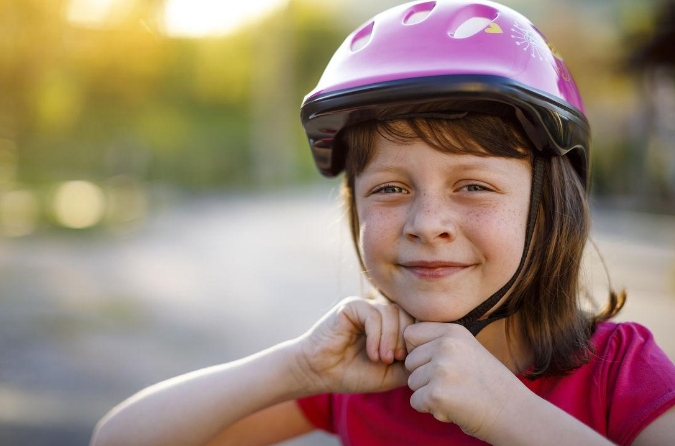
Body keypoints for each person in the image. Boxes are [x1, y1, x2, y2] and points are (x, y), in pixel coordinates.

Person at [90, 1, 675, 445]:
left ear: (548, 206)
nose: (427, 222)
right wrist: (297, 367)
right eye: (390, 189)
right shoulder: (363, 377)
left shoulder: (620, 374)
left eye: (473, 186)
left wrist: (508, 411)